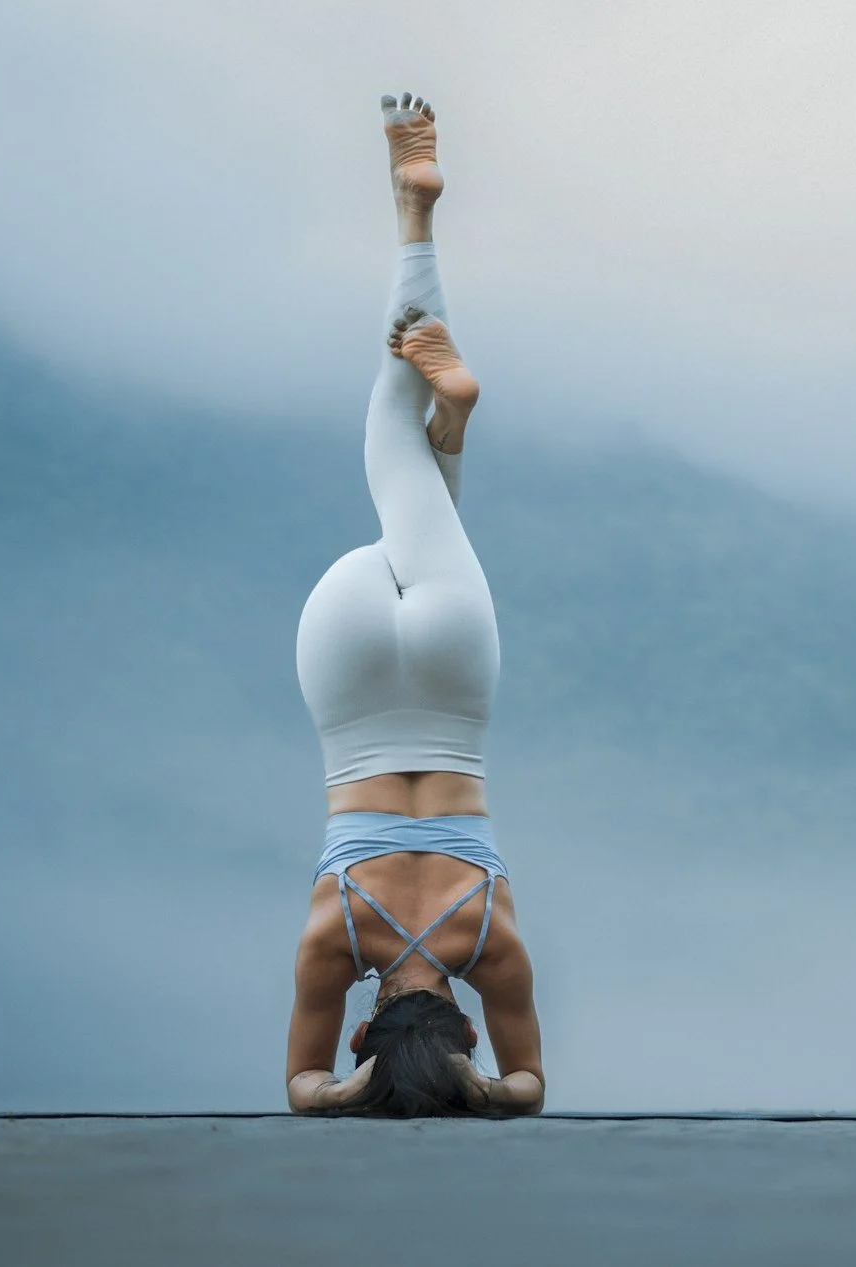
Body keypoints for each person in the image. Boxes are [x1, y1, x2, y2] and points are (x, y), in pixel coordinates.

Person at [281, 91, 544, 1117]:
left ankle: (419, 225)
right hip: (349, 678)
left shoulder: (497, 939)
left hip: (454, 678)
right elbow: (301, 1084)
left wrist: (487, 1084)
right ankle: (412, 219)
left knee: (424, 484)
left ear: (467, 1025)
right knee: (397, 455)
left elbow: (529, 1081)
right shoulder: (330, 935)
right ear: (363, 1025)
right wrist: (344, 1089)